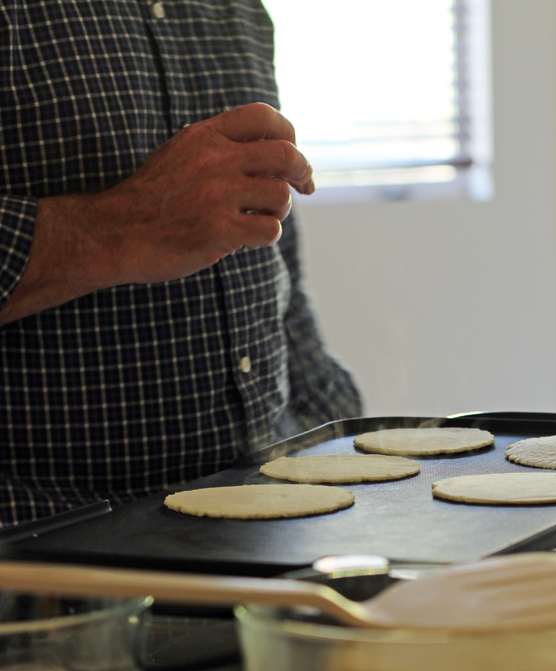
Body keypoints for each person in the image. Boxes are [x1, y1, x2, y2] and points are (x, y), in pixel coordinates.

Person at [0, 1, 362, 527]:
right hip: (50, 554)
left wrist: (336, 428)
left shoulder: (239, 9)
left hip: (275, 516)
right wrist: (116, 228)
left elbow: (275, 261)